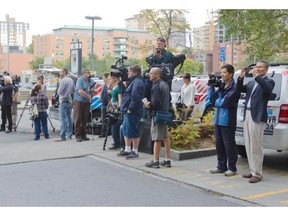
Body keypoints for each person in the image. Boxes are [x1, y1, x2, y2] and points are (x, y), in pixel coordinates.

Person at [237, 60, 275, 183]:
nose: (257, 69)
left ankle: (257, 174)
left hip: (257, 116)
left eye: (260, 67)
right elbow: (240, 90)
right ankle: (253, 169)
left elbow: (267, 89)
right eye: (256, 67)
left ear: (266, 69)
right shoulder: (252, 82)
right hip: (247, 114)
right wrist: (241, 77)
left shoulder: (268, 81)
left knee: (256, 146)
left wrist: (257, 77)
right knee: (248, 144)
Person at [208, 64, 241, 177]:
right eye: (221, 73)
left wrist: (218, 101)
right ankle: (221, 166)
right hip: (217, 119)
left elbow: (225, 103)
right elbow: (212, 100)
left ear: (231, 74)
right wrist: (211, 86)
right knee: (219, 144)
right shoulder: (221, 86)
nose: (222, 75)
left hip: (228, 120)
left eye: (224, 72)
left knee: (229, 145)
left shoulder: (235, 87)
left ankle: (232, 168)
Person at [143, 67, 172, 168]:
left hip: (158, 115)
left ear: (157, 74)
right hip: (165, 114)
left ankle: (155, 161)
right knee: (165, 137)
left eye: (151, 73)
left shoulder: (156, 86)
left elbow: (155, 103)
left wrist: (148, 105)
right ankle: (167, 160)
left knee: (156, 139)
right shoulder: (165, 84)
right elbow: (169, 99)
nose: (149, 75)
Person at [117, 65, 146, 159]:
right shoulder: (134, 81)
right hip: (128, 109)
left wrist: (130, 108)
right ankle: (127, 149)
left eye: (129, 71)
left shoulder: (137, 82)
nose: (127, 73)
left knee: (133, 129)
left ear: (135, 72)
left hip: (133, 110)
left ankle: (135, 151)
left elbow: (136, 96)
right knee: (126, 129)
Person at [73, 68, 95, 142]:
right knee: (78, 118)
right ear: (83, 73)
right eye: (87, 72)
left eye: (89, 72)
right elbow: (80, 91)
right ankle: (78, 135)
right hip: (79, 101)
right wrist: (88, 97)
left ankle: (83, 134)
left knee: (85, 118)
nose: (88, 73)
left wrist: (92, 91)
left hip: (87, 102)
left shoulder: (91, 81)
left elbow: (93, 90)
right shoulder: (80, 80)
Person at [54, 68, 75, 142]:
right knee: (69, 118)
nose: (59, 73)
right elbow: (73, 90)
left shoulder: (63, 80)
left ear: (64, 72)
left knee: (62, 118)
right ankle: (69, 135)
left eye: (60, 72)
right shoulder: (71, 80)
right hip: (69, 100)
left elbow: (59, 91)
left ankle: (62, 135)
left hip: (63, 100)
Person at [98, 72, 110, 138]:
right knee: (103, 119)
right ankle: (103, 132)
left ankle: (107, 132)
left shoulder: (109, 85)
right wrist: (101, 97)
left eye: (103, 77)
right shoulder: (104, 85)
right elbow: (101, 92)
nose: (103, 78)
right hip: (103, 103)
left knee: (107, 119)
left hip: (108, 104)